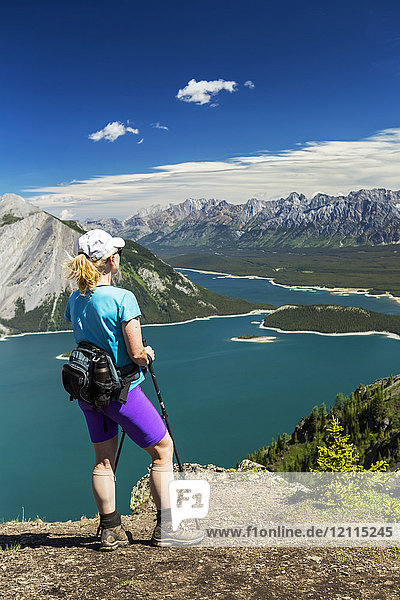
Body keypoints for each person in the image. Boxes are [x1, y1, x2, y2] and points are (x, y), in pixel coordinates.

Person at [64, 229, 203, 550]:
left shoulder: (76, 298)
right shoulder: (122, 298)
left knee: (103, 461)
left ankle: (110, 530)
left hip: (87, 389)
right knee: (162, 451)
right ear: (111, 260)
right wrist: (147, 355)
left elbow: (82, 331)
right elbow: (137, 352)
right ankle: (169, 527)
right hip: (121, 391)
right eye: (117, 254)